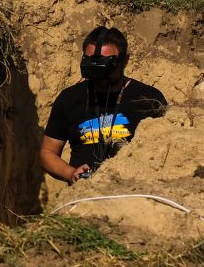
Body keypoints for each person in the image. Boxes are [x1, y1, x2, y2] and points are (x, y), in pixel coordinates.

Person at [40, 26, 167, 184]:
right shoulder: (69, 98)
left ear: (125, 61)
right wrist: (71, 173)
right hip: (83, 195)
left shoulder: (149, 99)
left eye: (106, 68)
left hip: (134, 192)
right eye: (93, 68)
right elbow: (48, 152)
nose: (99, 78)